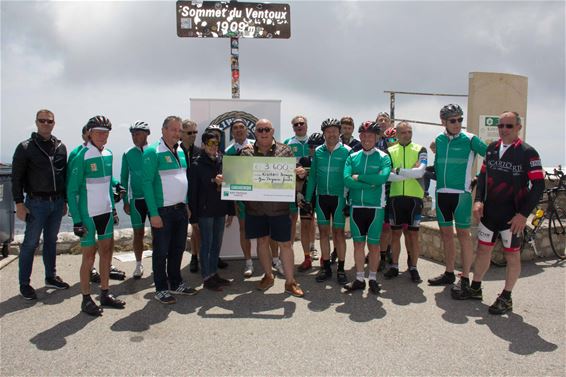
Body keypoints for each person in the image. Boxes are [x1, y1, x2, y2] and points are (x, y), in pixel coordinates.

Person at [451, 111, 544, 315]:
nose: (503, 130)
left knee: (512, 257)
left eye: (509, 126)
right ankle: (475, 288)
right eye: (501, 126)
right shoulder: (492, 149)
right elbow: (483, 177)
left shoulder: (528, 152)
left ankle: (506, 296)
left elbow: (538, 185)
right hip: (490, 214)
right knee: (483, 250)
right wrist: (478, 201)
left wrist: (523, 215)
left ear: (518, 128)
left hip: (513, 217)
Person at [67, 115, 125, 316]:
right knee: (89, 257)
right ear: (89, 133)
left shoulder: (108, 154)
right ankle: (85, 298)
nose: (103, 136)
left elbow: (108, 182)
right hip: (88, 214)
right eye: (99, 132)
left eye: (106, 133)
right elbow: (71, 191)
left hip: (106, 212)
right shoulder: (81, 155)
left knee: (107, 253)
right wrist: (76, 220)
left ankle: (105, 293)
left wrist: (115, 205)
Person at [240, 118, 304, 297]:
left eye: (267, 129)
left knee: (285, 244)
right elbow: (238, 177)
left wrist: (300, 174)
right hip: (256, 208)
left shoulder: (285, 150)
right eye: (260, 129)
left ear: (272, 130)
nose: (263, 132)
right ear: (255, 132)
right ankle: (268, 276)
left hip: (279, 207)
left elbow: (296, 174)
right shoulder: (246, 153)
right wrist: (225, 179)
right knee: (261, 242)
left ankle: (290, 282)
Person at [12, 109, 70, 300]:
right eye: (42, 121)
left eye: (49, 121)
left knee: (51, 241)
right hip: (36, 202)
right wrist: (19, 204)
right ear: (36, 123)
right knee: (30, 243)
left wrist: (65, 201)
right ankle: (25, 283)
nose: (46, 124)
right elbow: (16, 178)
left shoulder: (61, 147)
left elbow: (64, 176)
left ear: (54, 123)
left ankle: (50, 276)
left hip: (57, 201)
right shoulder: (25, 147)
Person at [428, 104, 487, 287]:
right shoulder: (438, 140)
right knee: (446, 235)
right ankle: (449, 272)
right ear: (443, 122)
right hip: (441, 194)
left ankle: (466, 277)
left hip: (461, 194)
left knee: (464, 235)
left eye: (460, 119)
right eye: (453, 120)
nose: (457, 123)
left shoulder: (470, 139)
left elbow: (492, 158)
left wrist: (480, 177)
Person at [143, 115, 197, 304]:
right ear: (164, 130)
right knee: (161, 251)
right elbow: (147, 184)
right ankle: (160, 288)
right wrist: (154, 213)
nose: (177, 133)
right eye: (173, 130)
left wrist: (187, 204)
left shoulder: (181, 151)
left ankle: (176, 282)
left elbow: (184, 180)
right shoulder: (152, 152)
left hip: (180, 209)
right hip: (163, 211)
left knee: (178, 248)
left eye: (179, 130)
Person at [343, 121, 391, 293]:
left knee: (373, 246)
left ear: (376, 137)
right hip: (356, 206)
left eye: (370, 135)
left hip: (376, 207)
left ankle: (372, 279)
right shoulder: (352, 157)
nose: (366, 138)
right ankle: (359, 278)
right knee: (357, 245)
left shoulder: (384, 157)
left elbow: (382, 178)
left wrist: (359, 177)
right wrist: (368, 183)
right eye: (363, 135)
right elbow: (346, 179)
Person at [304, 118, 351, 285]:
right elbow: (313, 178)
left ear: (340, 132)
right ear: (324, 133)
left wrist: (349, 201)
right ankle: (325, 267)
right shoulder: (318, 151)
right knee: (323, 233)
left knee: (339, 234)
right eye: (328, 131)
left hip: (339, 198)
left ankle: (341, 268)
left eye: (334, 131)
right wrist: (308, 199)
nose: (331, 134)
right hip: (322, 198)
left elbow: (350, 178)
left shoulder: (347, 151)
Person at [189, 131, 235, 291]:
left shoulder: (222, 161)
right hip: (204, 211)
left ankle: (214, 273)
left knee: (217, 244)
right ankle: (207, 277)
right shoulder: (196, 165)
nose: (214, 147)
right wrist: (193, 218)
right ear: (203, 145)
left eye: (216, 144)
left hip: (220, 209)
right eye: (210, 144)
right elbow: (193, 193)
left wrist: (231, 211)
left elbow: (228, 186)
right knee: (206, 244)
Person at [383, 121, 427, 283]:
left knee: (413, 236)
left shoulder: (420, 149)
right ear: (397, 134)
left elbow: (421, 171)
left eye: (409, 132)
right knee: (395, 235)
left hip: (414, 198)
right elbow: (387, 175)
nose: (407, 135)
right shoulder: (389, 151)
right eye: (403, 133)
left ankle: (413, 267)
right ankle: (394, 266)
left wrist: (399, 171)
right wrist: (411, 173)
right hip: (395, 198)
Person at [284, 115, 318, 264]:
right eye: (296, 124)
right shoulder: (287, 143)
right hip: (292, 185)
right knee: (292, 218)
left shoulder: (314, 141)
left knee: (310, 219)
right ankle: (288, 249)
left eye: (301, 123)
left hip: (311, 185)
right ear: (293, 127)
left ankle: (312, 247)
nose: (299, 126)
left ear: (306, 125)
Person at [225, 118, 254, 277]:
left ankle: (274, 260)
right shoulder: (228, 151)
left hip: (258, 195)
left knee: (265, 230)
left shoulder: (256, 146)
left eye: (242, 127)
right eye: (235, 128)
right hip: (241, 195)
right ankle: (248, 262)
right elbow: (229, 178)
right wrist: (231, 204)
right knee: (244, 229)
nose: (239, 130)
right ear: (232, 132)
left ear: (247, 130)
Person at [121, 121, 151, 279]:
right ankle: (138, 264)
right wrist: (125, 200)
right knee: (138, 233)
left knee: (159, 233)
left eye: (138, 133)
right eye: (132, 134)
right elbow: (123, 178)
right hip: (136, 200)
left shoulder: (155, 151)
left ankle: (159, 264)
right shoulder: (128, 153)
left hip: (154, 199)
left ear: (147, 134)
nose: (134, 137)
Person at [296, 132, 325, 272]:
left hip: (323, 195)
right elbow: (298, 180)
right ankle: (307, 257)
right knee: (305, 225)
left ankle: (324, 258)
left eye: (316, 146)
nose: (312, 149)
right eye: (311, 146)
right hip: (307, 196)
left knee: (324, 227)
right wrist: (299, 194)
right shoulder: (304, 160)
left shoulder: (327, 159)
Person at [204, 124, 229, 270]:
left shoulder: (224, 157)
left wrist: (230, 210)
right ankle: (207, 273)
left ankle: (213, 270)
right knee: (207, 241)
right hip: (206, 207)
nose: (215, 139)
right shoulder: (199, 158)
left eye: (218, 136)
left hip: (220, 206)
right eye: (212, 136)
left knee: (216, 241)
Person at [180, 119, 202, 274]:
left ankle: (196, 257)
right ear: (181, 134)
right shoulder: (174, 151)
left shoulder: (199, 152)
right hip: (179, 197)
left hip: (197, 197)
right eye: (189, 133)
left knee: (197, 229)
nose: (193, 135)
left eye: (195, 132)